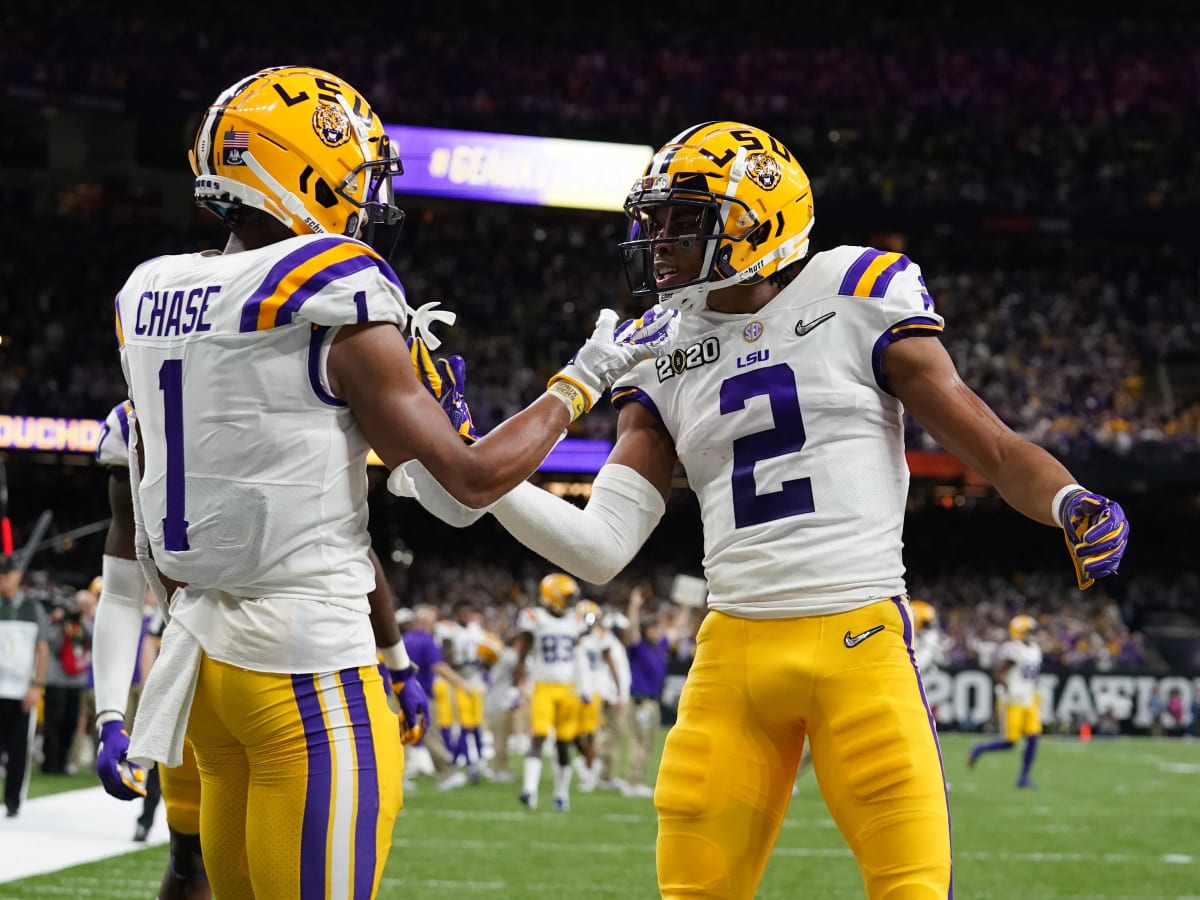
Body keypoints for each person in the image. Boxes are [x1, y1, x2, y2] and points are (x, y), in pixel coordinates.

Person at [396, 121, 1131, 898]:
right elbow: (601, 546)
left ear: (757, 223)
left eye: (685, 218)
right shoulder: (656, 348)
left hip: (859, 637)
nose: (658, 237)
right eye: (657, 218)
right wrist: (481, 470)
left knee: (911, 887)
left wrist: (1069, 499)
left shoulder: (854, 292)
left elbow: (994, 447)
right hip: (733, 653)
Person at [106, 66, 670, 900]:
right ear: (296, 168)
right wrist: (580, 381)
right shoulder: (329, 287)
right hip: (307, 672)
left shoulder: (145, 292)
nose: (366, 197)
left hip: (206, 673)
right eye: (354, 173)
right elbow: (468, 483)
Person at [514, 573, 592, 811]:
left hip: (568, 689)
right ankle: (529, 790)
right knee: (538, 736)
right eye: (567, 596)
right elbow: (523, 652)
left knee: (563, 743)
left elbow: (578, 656)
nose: (571, 601)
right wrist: (517, 681)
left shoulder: (575, 619)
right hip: (543, 687)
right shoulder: (534, 617)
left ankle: (561, 794)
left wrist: (584, 685)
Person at [0, 554, 51, 818]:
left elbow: (42, 649)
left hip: (21, 690)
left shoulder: (33, 608)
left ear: (17, 576)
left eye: (6, 574)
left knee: (19, 749)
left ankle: (12, 801)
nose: (2, 580)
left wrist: (36, 685)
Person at [969, 615, 1044, 787]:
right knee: (1010, 743)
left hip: (1030, 699)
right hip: (1014, 700)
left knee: (1033, 737)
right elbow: (998, 673)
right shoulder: (1013, 649)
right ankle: (980, 748)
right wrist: (1009, 688)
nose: (1031, 634)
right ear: (1018, 632)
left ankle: (1023, 777)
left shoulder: (1035, 649)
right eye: (1027, 631)